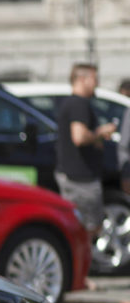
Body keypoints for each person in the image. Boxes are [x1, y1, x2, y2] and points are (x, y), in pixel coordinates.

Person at [55, 63, 116, 237]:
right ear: (82, 79)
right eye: (95, 79)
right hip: (80, 179)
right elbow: (79, 137)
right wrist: (101, 132)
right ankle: (84, 263)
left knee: (82, 228)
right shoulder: (78, 104)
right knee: (87, 228)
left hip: (77, 176)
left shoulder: (73, 103)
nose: (97, 83)